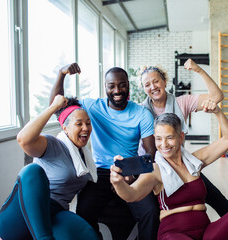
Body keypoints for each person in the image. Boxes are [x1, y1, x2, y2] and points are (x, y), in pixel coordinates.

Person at [49, 63, 159, 240]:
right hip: (100, 172)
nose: (117, 90)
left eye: (122, 84)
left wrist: (130, 173)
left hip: (129, 170)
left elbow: (151, 154)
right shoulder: (92, 107)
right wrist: (62, 74)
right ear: (105, 88)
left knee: (151, 211)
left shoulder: (141, 114)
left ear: (128, 85)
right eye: (112, 86)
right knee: (83, 211)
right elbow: (57, 107)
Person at [110, 111, 228, 240]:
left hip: (205, 231)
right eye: (159, 138)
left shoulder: (194, 161)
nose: (164, 144)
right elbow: (131, 195)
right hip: (174, 234)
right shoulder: (156, 170)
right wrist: (118, 183)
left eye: (169, 137)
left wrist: (217, 112)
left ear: (181, 137)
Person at [139, 58, 228, 217]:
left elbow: (217, 96)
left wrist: (199, 70)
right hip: (154, 168)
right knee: (152, 211)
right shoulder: (140, 111)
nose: (153, 87)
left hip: (180, 163)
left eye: (156, 81)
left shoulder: (181, 102)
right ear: (143, 89)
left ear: (164, 82)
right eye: (147, 85)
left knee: (217, 199)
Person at [0, 95, 99, 240]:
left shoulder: (84, 158)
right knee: (31, 171)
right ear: (65, 128)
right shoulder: (53, 145)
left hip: (55, 214)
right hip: (20, 218)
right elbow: (23, 139)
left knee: (89, 235)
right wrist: (53, 107)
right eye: (79, 123)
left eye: (88, 123)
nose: (86, 128)